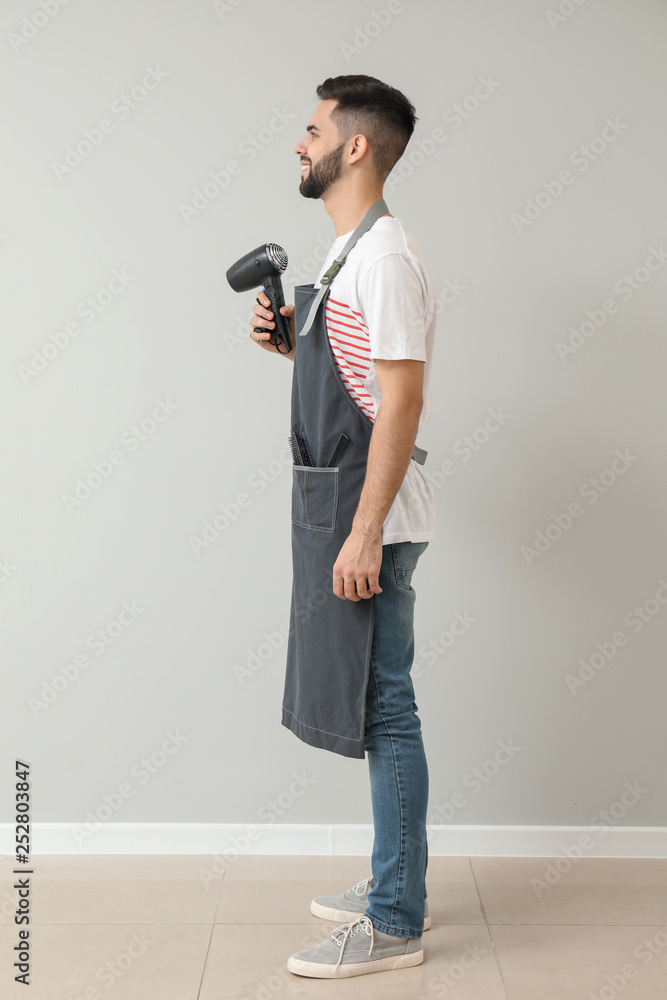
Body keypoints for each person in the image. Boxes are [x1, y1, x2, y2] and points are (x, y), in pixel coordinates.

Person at [249, 74, 436, 979]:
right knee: (370, 706)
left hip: (369, 514)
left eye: (313, 127)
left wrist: (365, 535)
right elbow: (359, 374)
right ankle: (389, 881)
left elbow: (399, 405)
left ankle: (396, 917)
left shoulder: (385, 257)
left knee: (385, 710)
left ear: (354, 146)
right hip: (340, 503)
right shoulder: (344, 258)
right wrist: (297, 340)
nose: (300, 141)